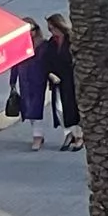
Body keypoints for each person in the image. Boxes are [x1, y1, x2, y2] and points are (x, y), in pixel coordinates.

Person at [44, 14, 82, 151]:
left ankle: (78, 136)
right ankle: (69, 133)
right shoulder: (51, 43)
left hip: (71, 79)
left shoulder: (71, 41)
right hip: (57, 80)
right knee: (59, 109)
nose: (51, 31)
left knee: (73, 107)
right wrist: (50, 74)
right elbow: (46, 61)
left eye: (53, 28)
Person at [12, 19, 49, 151]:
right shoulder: (19, 45)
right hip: (24, 79)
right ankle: (37, 133)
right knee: (27, 107)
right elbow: (15, 64)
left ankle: (37, 136)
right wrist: (13, 81)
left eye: (32, 29)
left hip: (38, 79)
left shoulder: (43, 45)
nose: (30, 33)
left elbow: (47, 62)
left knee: (35, 106)